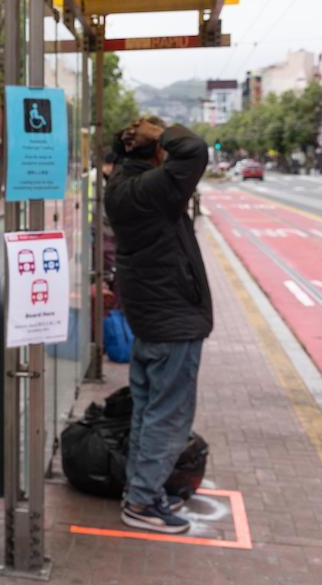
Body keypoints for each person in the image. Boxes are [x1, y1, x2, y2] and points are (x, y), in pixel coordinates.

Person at [104, 117, 211, 534]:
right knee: (168, 417)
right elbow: (195, 150)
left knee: (148, 413)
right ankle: (143, 502)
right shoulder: (153, 189)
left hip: (151, 318)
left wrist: (152, 139)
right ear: (157, 152)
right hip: (172, 319)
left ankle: (139, 490)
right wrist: (163, 134)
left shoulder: (123, 185)